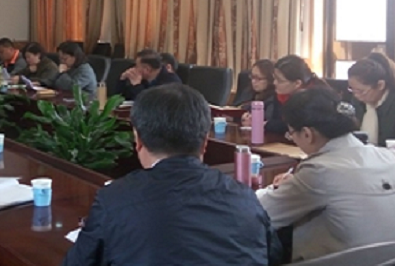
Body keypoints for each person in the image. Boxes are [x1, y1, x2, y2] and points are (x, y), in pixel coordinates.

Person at [62, 83, 279, 266]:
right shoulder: (245, 197)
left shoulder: (113, 200)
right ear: (205, 142)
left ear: (138, 140)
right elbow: (274, 255)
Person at [257, 88, 395, 262]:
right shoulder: (392, 157)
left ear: (307, 134)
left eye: (291, 134)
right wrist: (297, 185)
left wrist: (273, 189)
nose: (292, 139)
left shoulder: (319, 171)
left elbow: (260, 211)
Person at [238, 59, 286, 134]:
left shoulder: (275, 97)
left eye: (258, 78)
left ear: (270, 80)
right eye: (252, 77)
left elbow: (269, 119)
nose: (253, 81)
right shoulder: (249, 92)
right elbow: (240, 108)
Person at [116, 48, 181, 100]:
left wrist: (137, 86)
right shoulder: (142, 78)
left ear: (147, 69)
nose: (134, 68)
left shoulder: (170, 83)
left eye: (137, 66)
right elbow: (120, 98)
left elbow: (150, 104)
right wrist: (122, 79)